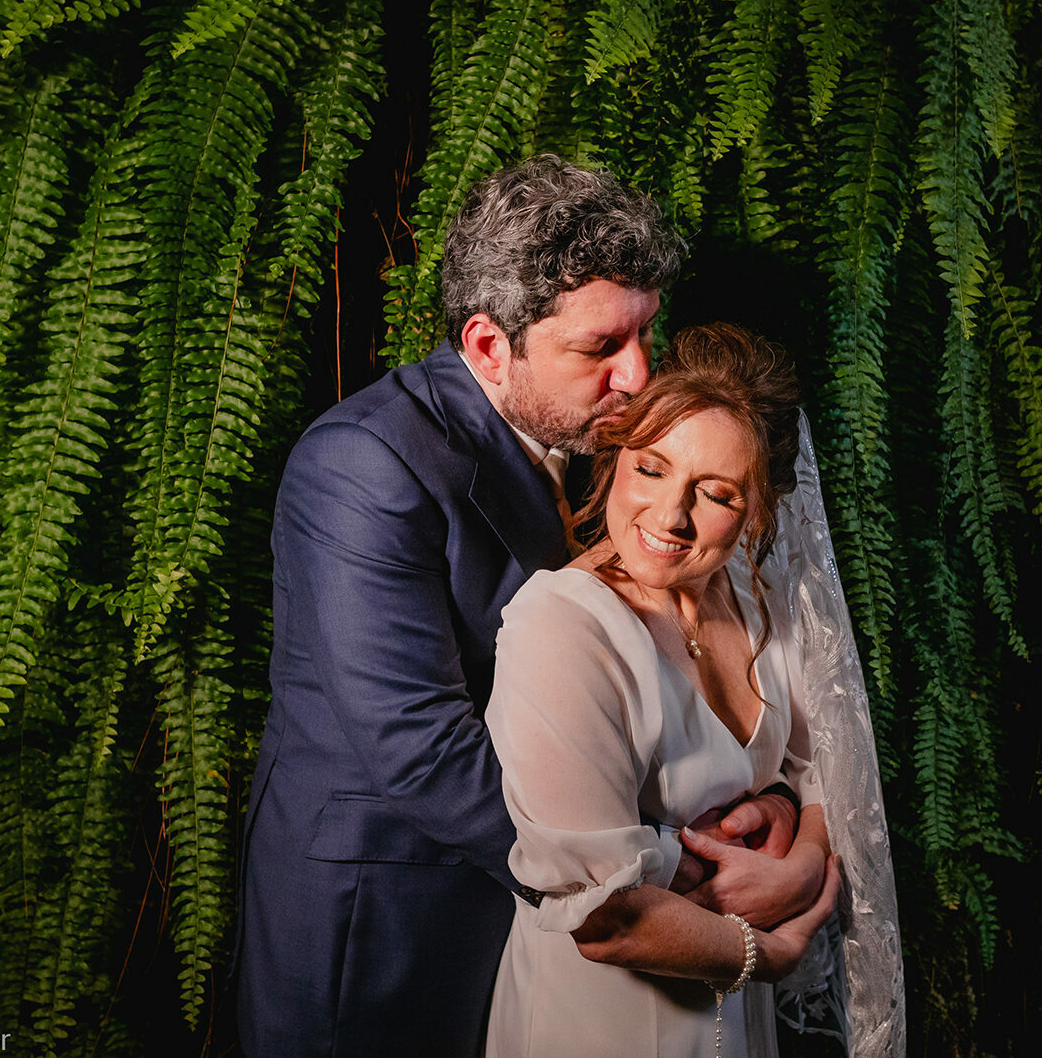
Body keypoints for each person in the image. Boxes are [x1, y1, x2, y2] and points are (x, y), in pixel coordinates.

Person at [235, 158, 820, 1058]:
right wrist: (672, 865)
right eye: (601, 349)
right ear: (486, 349)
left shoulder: (611, 435)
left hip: (550, 934)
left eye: (644, 336)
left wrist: (762, 801)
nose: (638, 377)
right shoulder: (362, 466)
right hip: (392, 915)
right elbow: (424, 750)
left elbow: (680, 655)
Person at [485, 323, 881, 1057]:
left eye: (716, 493)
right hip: (603, 1024)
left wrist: (797, 858)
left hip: (738, 1025)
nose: (669, 517)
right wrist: (774, 953)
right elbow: (607, 921)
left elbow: (828, 760)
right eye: (653, 468)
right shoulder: (561, 629)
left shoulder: (758, 600)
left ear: (759, 510)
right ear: (615, 456)